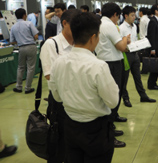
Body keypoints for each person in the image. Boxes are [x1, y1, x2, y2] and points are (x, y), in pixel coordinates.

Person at [49, 12, 118, 163]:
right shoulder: (98, 66)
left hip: (70, 126)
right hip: (96, 131)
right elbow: (112, 101)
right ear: (93, 37)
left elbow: (57, 97)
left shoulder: (58, 63)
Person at [40, 9, 81, 163]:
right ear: (64, 23)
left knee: (74, 146)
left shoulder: (79, 43)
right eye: (76, 26)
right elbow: (50, 75)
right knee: (60, 145)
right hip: (60, 103)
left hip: (79, 101)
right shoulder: (52, 45)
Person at [95, 2, 131, 148]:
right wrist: (125, 39)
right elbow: (122, 47)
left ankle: (113, 119)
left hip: (106, 61)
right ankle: (108, 133)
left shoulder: (100, 23)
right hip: (112, 63)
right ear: (115, 14)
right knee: (112, 95)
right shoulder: (109, 25)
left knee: (112, 93)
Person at [119, 6, 156, 107]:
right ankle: (125, 98)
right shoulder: (121, 28)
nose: (134, 17)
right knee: (124, 79)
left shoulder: (135, 26)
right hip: (126, 55)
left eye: (134, 15)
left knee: (138, 77)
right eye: (132, 15)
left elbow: (135, 40)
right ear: (125, 16)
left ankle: (143, 96)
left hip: (135, 54)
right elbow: (120, 44)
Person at [10, 8, 38, 94]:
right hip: (31, 46)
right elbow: (36, 36)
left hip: (21, 48)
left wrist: (20, 40)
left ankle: (18, 87)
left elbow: (12, 41)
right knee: (30, 67)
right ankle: (27, 88)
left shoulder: (13, 26)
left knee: (20, 67)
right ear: (24, 15)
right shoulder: (29, 23)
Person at [146, 4, 158, 90]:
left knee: (156, 66)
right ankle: (151, 84)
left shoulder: (157, 20)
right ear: (156, 11)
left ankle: (153, 83)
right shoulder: (153, 21)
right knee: (154, 66)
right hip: (155, 48)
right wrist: (152, 49)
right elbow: (151, 36)